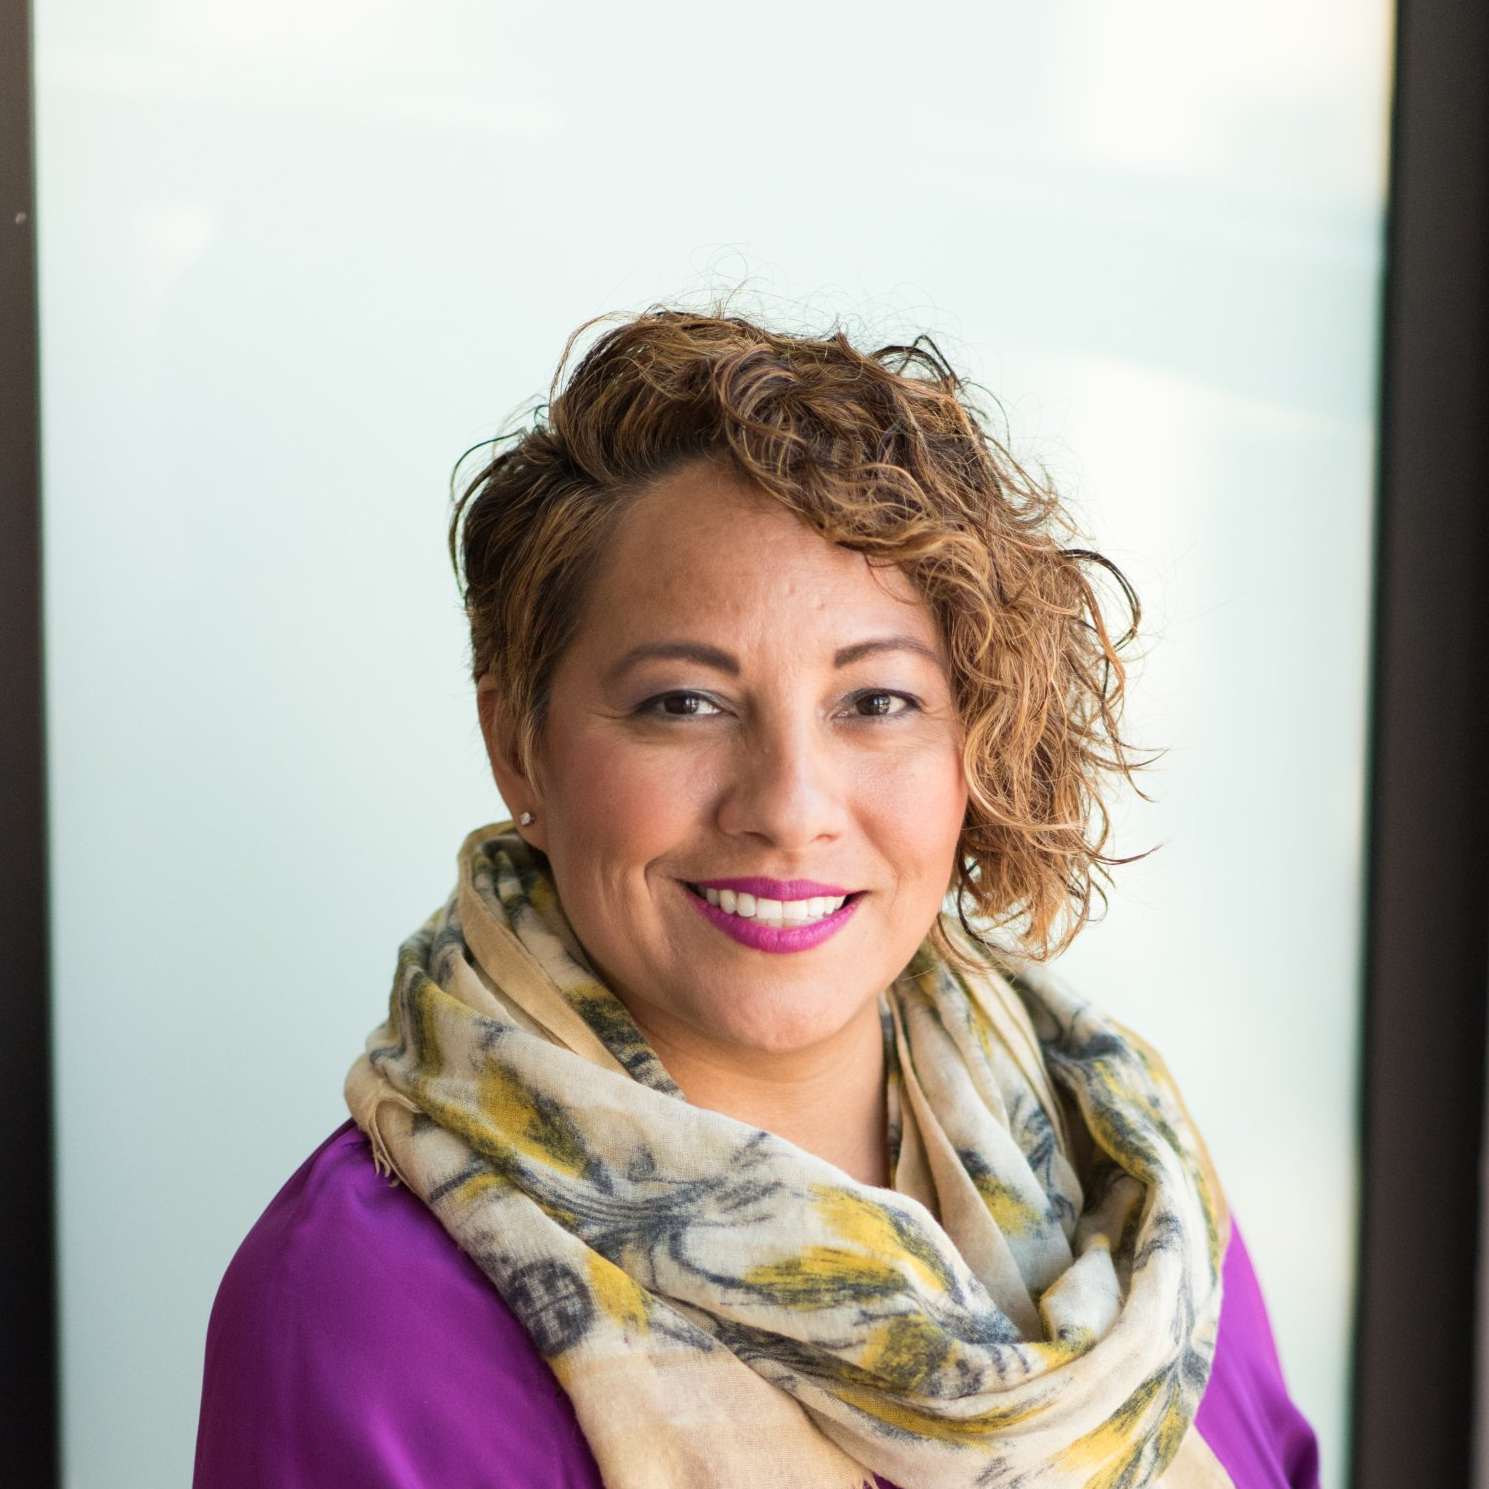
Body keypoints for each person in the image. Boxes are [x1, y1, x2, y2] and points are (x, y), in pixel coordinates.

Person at [193, 310, 1320, 1488]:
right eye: (685, 702)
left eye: (875, 701)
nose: (788, 805)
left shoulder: (1138, 1195)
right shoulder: (364, 1310)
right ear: (517, 747)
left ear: (972, 746)